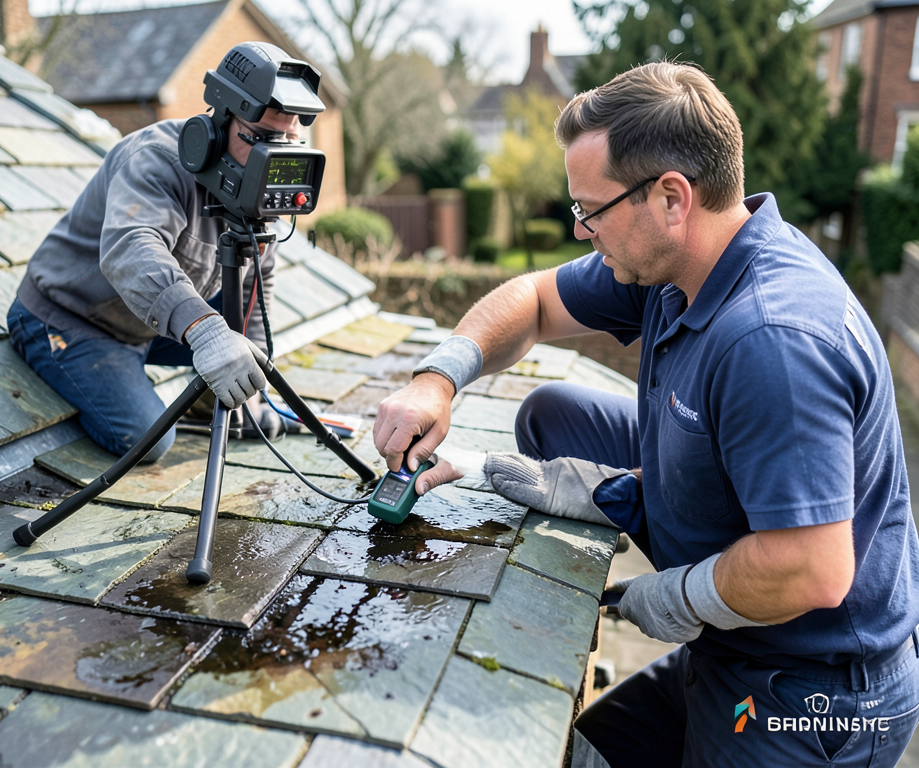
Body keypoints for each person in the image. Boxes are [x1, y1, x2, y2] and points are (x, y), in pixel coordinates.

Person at [373, 61, 919, 767]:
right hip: (735, 648)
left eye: (591, 210)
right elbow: (533, 299)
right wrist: (437, 380)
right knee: (551, 412)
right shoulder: (679, 267)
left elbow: (812, 570)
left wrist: (677, 596)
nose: (579, 230)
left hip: (810, 694)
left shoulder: (773, 341)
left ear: (671, 198)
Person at [7, 48, 297, 463]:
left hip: (149, 321)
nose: (277, 156)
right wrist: (206, 333)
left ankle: (206, 397)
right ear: (220, 123)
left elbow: (254, 286)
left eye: (288, 138)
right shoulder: (157, 157)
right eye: (264, 139)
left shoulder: (255, 180)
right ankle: (98, 374)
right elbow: (131, 249)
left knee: (247, 354)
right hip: (71, 318)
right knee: (150, 441)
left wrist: (252, 390)